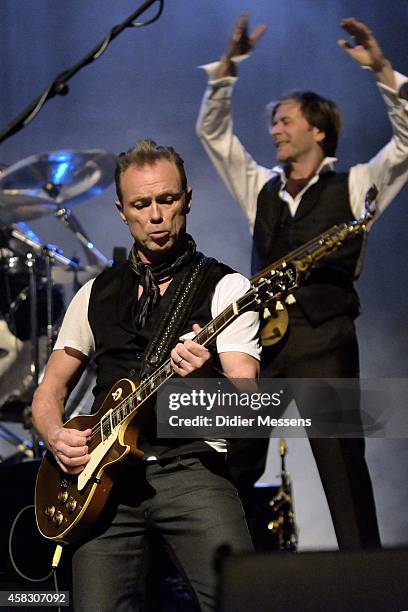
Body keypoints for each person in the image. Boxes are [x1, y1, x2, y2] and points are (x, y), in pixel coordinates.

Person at [196, 14, 408, 550]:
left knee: (342, 470)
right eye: (273, 123)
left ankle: (368, 589)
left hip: (325, 344)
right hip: (261, 348)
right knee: (236, 466)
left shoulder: (357, 183)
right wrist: (227, 70)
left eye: (285, 121)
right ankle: (235, 581)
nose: (274, 130)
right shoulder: (260, 189)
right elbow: (213, 134)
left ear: (318, 130)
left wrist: (383, 70)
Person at [31, 139, 261, 612]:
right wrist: (55, 434)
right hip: (103, 487)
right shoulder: (95, 293)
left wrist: (207, 376)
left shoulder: (228, 288)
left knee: (245, 600)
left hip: (191, 469)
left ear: (188, 200)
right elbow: (49, 390)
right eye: (142, 204)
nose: (156, 215)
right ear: (122, 211)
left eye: (167, 200)